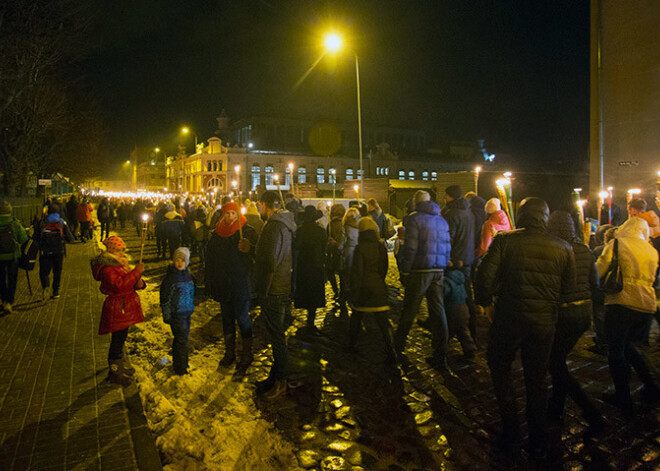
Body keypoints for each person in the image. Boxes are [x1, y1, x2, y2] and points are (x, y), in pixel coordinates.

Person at [475, 197, 576, 458]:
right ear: (545, 217)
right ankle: (539, 438)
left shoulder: (505, 241)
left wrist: (486, 303)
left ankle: (511, 426)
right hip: (543, 323)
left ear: (520, 215)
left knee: (499, 365)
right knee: (536, 379)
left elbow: (483, 278)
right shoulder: (564, 247)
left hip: (508, 318)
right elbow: (567, 292)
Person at [546, 211, 604, 434]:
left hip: (563, 313)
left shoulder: (554, 249)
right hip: (583, 312)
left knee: (554, 362)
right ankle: (556, 408)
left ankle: (590, 411)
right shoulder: (585, 250)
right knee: (558, 360)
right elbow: (595, 283)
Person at [596, 216, 660, 411]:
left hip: (621, 303)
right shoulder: (651, 250)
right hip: (646, 306)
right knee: (631, 347)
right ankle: (651, 385)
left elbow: (599, 269)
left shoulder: (617, 243)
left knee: (615, 350)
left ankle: (622, 395)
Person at [395, 190, 451, 370]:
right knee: (438, 311)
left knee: (410, 309)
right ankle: (441, 353)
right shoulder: (442, 220)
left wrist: (404, 269)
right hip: (438, 270)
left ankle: (397, 348)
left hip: (421, 269)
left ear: (415, 202)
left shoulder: (414, 219)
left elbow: (410, 248)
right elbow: (447, 246)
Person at [254, 190, 296, 399]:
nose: (259, 208)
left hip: (273, 288)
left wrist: (262, 290)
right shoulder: (285, 224)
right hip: (281, 284)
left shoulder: (273, 226)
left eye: (260, 205)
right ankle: (274, 377)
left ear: (265, 205)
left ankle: (281, 382)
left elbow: (269, 261)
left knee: (277, 337)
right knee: (276, 335)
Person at [206, 201, 258, 370]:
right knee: (227, 319)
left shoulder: (248, 232)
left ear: (238, 214)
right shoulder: (216, 234)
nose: (230, 217)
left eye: (233, 214)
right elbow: (211, 260)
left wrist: (249, 248)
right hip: (223, 283)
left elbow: (259, 255)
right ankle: (229, 353)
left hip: (240, 283)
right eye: (227, 214)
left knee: (243, 319)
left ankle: (247, 353)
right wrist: (211, 282)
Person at [91, 236, 146, 386]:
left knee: (121, 338)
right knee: (117, 341)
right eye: (120, 250)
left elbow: (130, 283)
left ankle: (119, 367)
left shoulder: (119, 265)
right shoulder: (108, 268)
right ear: (113, 251)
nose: (123, 253)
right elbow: (119, 285)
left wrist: (138, 279)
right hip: (118, 308)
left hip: (124, 306)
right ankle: (115, 371)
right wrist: (135, 272)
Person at [347, 216, 397, 364]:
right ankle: (391, 350)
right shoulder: (380, 246)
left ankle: (352, 345)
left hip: (364, 290)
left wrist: (354, 290)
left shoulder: (359, 248)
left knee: (356, 318)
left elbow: (357, 272)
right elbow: (384, 268)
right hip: (378, 287)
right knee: (383, 322)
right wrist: (379, 282)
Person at [442, 185, 478, 342]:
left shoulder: (452, 214)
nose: (444, 198)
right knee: (467, 295)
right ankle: (472, 329)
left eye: (446, 195)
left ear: (450, 196)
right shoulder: (468, 212)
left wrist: (448, 259)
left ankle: (449, 332)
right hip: (468, 258)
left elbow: (447, 239)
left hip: (455, 260)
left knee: (452, 297)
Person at [160, 247, 195, 375]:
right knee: (181, 339)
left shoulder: (188, 276)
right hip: (176, 314)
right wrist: (167, 314)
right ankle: (180, 369)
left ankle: (181, 362)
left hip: (186, 312)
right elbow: (165, 298)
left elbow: (191, 292)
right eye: (177, 260)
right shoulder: (170, 278)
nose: (180, 263)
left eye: (183, 260)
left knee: (182, 339)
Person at [294, 205, 328, 328]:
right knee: (314, 290)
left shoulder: (300, 230)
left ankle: (308, 313)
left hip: (304, 264)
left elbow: (296, 246)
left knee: (305, 289)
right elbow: (325, 247)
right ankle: (311, 316)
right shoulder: (321, 231)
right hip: (316, 264)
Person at [37, 205, 74, 300]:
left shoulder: (42, 222)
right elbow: (70, 238)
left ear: (47, 212)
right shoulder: (61, 222)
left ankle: (46, 286)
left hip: (45, 252)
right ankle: (56, 291)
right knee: (57, 272)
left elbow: (37, 237)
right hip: (59, 251)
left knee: (44, 272)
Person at [0, 201, 28, 313]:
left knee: (1, 279)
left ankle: (3, 300)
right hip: (13, 255)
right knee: (12, 279)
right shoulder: (14, 223)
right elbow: (23, 239)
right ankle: (9, 302)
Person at [443, 269, 477, 359]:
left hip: (452, 308)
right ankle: (470, 349)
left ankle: (440, 352)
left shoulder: (447, 280)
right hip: (463, 307)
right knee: (462, 330)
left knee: (447, 331)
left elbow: (445, 292)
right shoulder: (461, 280)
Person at [339, 207, 361, 315]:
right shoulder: (360, 227)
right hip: (358, 253)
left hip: (348, 252)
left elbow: (341, 243)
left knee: (345, 275)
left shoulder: (345, 227)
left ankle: (344, 296)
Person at [326, 204, 346, 300]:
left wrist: (333, 243)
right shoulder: (337, 223)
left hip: (335, 252)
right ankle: (341, 292)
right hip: (338, 253)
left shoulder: (336, 224)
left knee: (332, 271)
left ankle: (337, 291)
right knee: (341, 274)